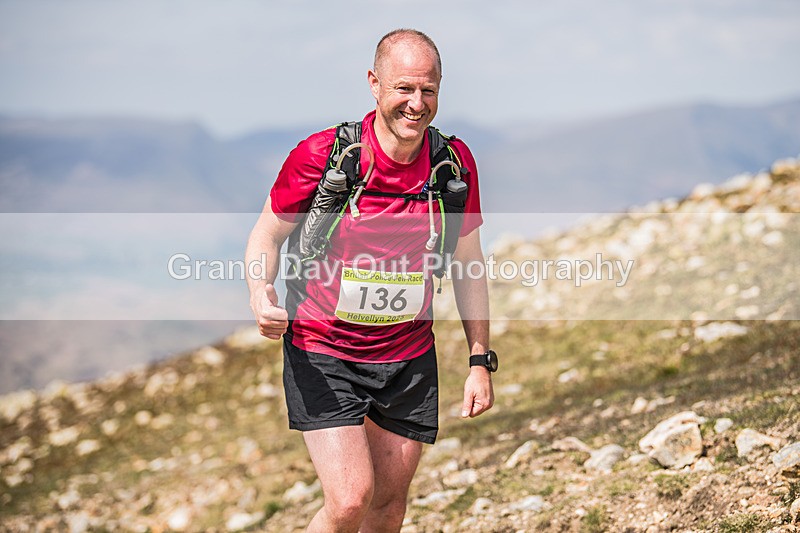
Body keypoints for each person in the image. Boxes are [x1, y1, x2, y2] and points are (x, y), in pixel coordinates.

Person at [245, 28, 494, 533]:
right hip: (324, 348)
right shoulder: (325, 157)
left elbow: (470, 263)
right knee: (349, 499)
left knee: (388, 506)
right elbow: (265, 237)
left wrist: (479, 360)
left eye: (428, 90)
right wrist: (259, 291)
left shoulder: (453, 166)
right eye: (404, 88)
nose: (416, 103)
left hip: (406, 355)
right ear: (374, 83)